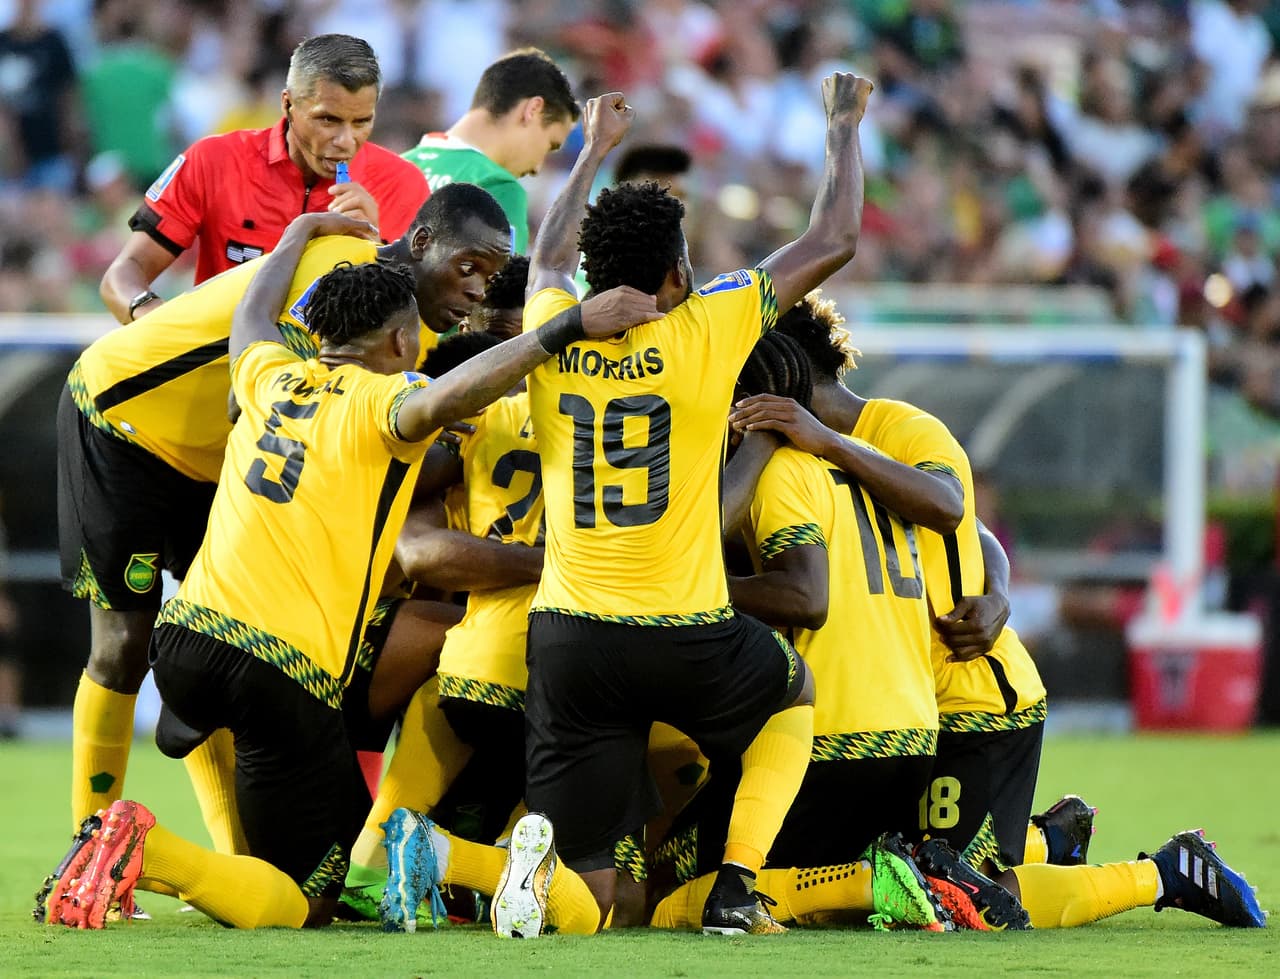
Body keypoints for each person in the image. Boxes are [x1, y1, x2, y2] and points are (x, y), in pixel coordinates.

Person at [37, 209, 661, 931]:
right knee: (310, 902)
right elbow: (453, 394)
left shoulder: (267, 373)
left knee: (273, 839)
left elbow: (253, 313)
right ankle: (155, 848)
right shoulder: (383, 403)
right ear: (400, 341)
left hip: (183, 645)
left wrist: (296, 235)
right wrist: (563, 328)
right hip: (280, 670)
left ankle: (118, 838)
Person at [726, 293, 1267, 933]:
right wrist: (1000, 586)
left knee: (961, 894)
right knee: (908, 874)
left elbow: (951, 507)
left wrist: (825, 441)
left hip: (980, 699)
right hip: (914, 704)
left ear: (779, 368)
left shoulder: (899, 428)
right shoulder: (801, 458)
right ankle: (1050, 840)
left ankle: (1165, 872)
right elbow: (981, 537)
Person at [60, 183, 513, 846]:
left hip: (211, 458)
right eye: (469, 266)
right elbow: (255, 407)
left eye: (491, 276)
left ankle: (228, 856)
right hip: (122, 421)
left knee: (223, 624)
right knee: (125, 646)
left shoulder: (374, 320)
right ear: (421, 243)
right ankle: (88, 841)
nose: (478, 290)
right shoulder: (334, 288)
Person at [98, 32, 429, 324]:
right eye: (328, 120)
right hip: (221, 377)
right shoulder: (214, 161)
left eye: (361, 122)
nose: (345, 140)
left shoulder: (404, 184)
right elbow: (123, 275)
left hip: (337, 386)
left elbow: (419, 326)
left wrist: (379, 256)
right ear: (287, 105)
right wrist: (161, 325)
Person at [402, 48, 578, 255]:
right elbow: (503, 286)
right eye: (550, 145)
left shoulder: (394, 168)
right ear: (532, 110)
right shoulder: (497, 185)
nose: (537, 168)